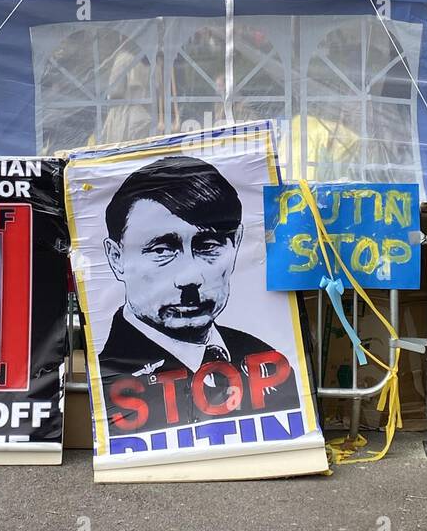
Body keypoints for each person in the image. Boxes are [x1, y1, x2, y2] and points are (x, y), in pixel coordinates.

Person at [98, 154, 300, 434]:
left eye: (209, 246)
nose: (189, 278)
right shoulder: (103, 373)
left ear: (237, 244)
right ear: (116, 257)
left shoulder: (268, 360)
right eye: (161, 250)